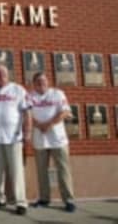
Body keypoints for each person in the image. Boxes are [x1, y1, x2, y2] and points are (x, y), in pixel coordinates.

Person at [0, 64, 31, 215]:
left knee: (16, 171)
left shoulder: (18, 90)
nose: (0, 75)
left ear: (8, 74)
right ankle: (0, 199)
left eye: (3, 72)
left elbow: (27, 113)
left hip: (13, 136)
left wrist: (27, 131)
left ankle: (21, 202)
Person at [29, 72, 76, 212]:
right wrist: (39, 125)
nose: (41, 83)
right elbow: (28, 114)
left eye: (43, 80)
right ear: (34, 83)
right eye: (38, 81)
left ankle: (68, 199)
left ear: (48, 81)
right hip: (40, 138)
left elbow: (65, 112)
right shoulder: (30, 96)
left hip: (58, 139)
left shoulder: (57, 94)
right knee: (41, 170)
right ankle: (44, 198)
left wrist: (49, 124)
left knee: (63, 169)